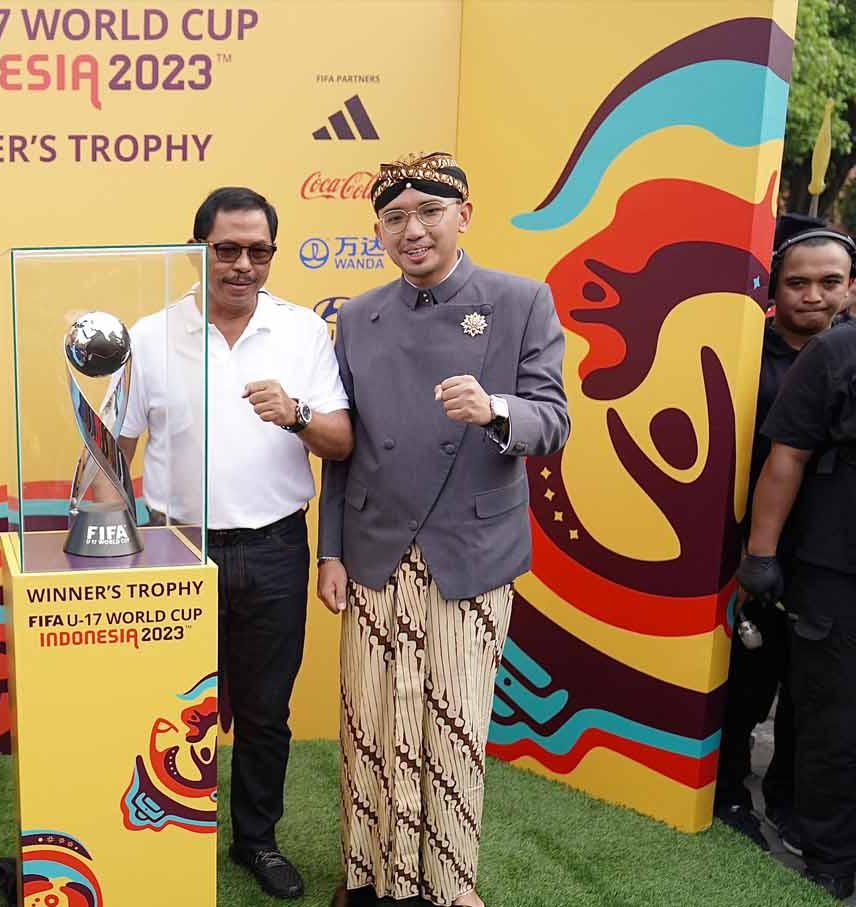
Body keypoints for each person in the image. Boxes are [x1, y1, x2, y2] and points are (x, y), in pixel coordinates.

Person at [317, 151, 569, 907]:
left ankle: (448, 887)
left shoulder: (522, 301)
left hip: (471, 554)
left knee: (454, 727)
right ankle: (366, 876)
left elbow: (553, 422)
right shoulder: (357, 315)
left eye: (429, 212)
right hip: (374, 551)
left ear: (464, 216)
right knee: (369, 725)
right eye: (395, 218)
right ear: (378, 232)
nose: (413, 229)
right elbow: (344, 446)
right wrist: (328, 549)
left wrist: (495, 409)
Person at [115, 186, 352, 900]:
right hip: (174, 550)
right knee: (171, 709)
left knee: (264, 712)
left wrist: (297, 412)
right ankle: (163, 838)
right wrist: (111, 552)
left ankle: (257, 839)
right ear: (199, 251)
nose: (243, 264)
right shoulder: (150, 335)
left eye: (259, 251)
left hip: (276, 549)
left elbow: (340, 440)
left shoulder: (302, 331)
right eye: (227, 249)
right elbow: (110, 449)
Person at [714, 215, 853, 853]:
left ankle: (796, 800)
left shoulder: (847, 354)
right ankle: (729, 791)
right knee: (749, 677)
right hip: (749, 543)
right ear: (775, 287)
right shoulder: (744, 350)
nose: (814, 296)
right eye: (798, 282)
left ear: (851, 287)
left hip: (825, 554)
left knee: (815, 691)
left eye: (830, 282)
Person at [737, 274, 856, 901]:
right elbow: (787, 458)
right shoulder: (837, 354)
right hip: (836, 577)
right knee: (832, 722)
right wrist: (761, 555)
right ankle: (830, 859)